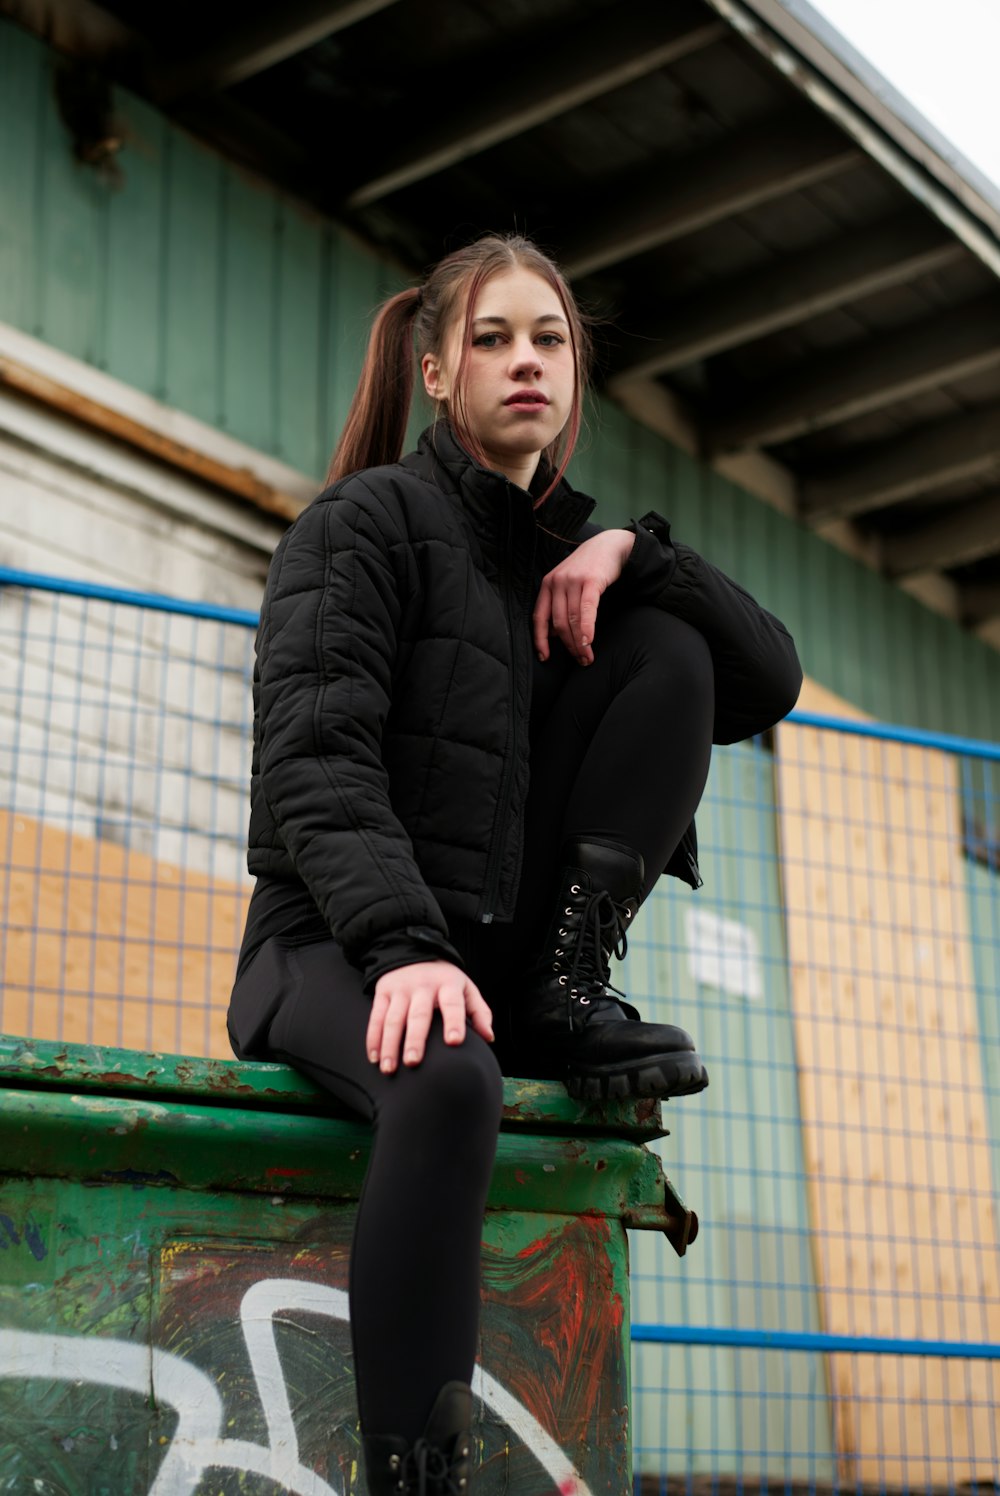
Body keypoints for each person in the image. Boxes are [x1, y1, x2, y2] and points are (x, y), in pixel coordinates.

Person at [227, 233, 802, 1495]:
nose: (524, 361)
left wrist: (637, 554)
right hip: (328, 945)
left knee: (676, 644)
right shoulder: (362, 523)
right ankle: (414, 1474)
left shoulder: (572, 569)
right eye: (491, 338)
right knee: (448, 1089)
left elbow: (769, 679)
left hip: (485, 973)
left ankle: (564, 977)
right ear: (435, 370)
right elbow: (314, 762)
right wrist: (406, 946)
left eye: (548, 338)